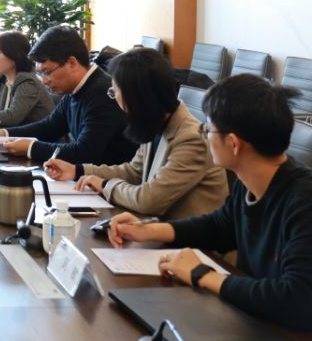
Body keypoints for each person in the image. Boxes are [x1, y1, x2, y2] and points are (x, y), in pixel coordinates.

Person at [108, 74, 312, 341]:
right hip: (268, 329)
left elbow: (300, 300)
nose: (204, 136)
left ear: (234, 144)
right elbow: (220, 227)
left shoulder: (311, 202)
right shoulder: (250, 180)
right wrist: (149, 230)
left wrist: (202, 275)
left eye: (208, 130)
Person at [44, 47, 228, 220]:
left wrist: (105, 185)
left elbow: (149, 200)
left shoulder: (191, 139)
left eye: (114, 92)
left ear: (137, 97)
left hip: (191, 242)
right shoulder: (156, 121)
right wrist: (77, 170)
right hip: (159, 230)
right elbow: (134, 171)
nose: (115, 100)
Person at [0, 25, 135, 166]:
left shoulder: (103, 93)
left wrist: (31, 147)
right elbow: (50, 127)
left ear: (71, 63)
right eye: (40, 74)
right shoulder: (75, 88)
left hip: (109, 180)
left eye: (47, 72)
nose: (44, 81)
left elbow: (85, 153)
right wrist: (4, 133)